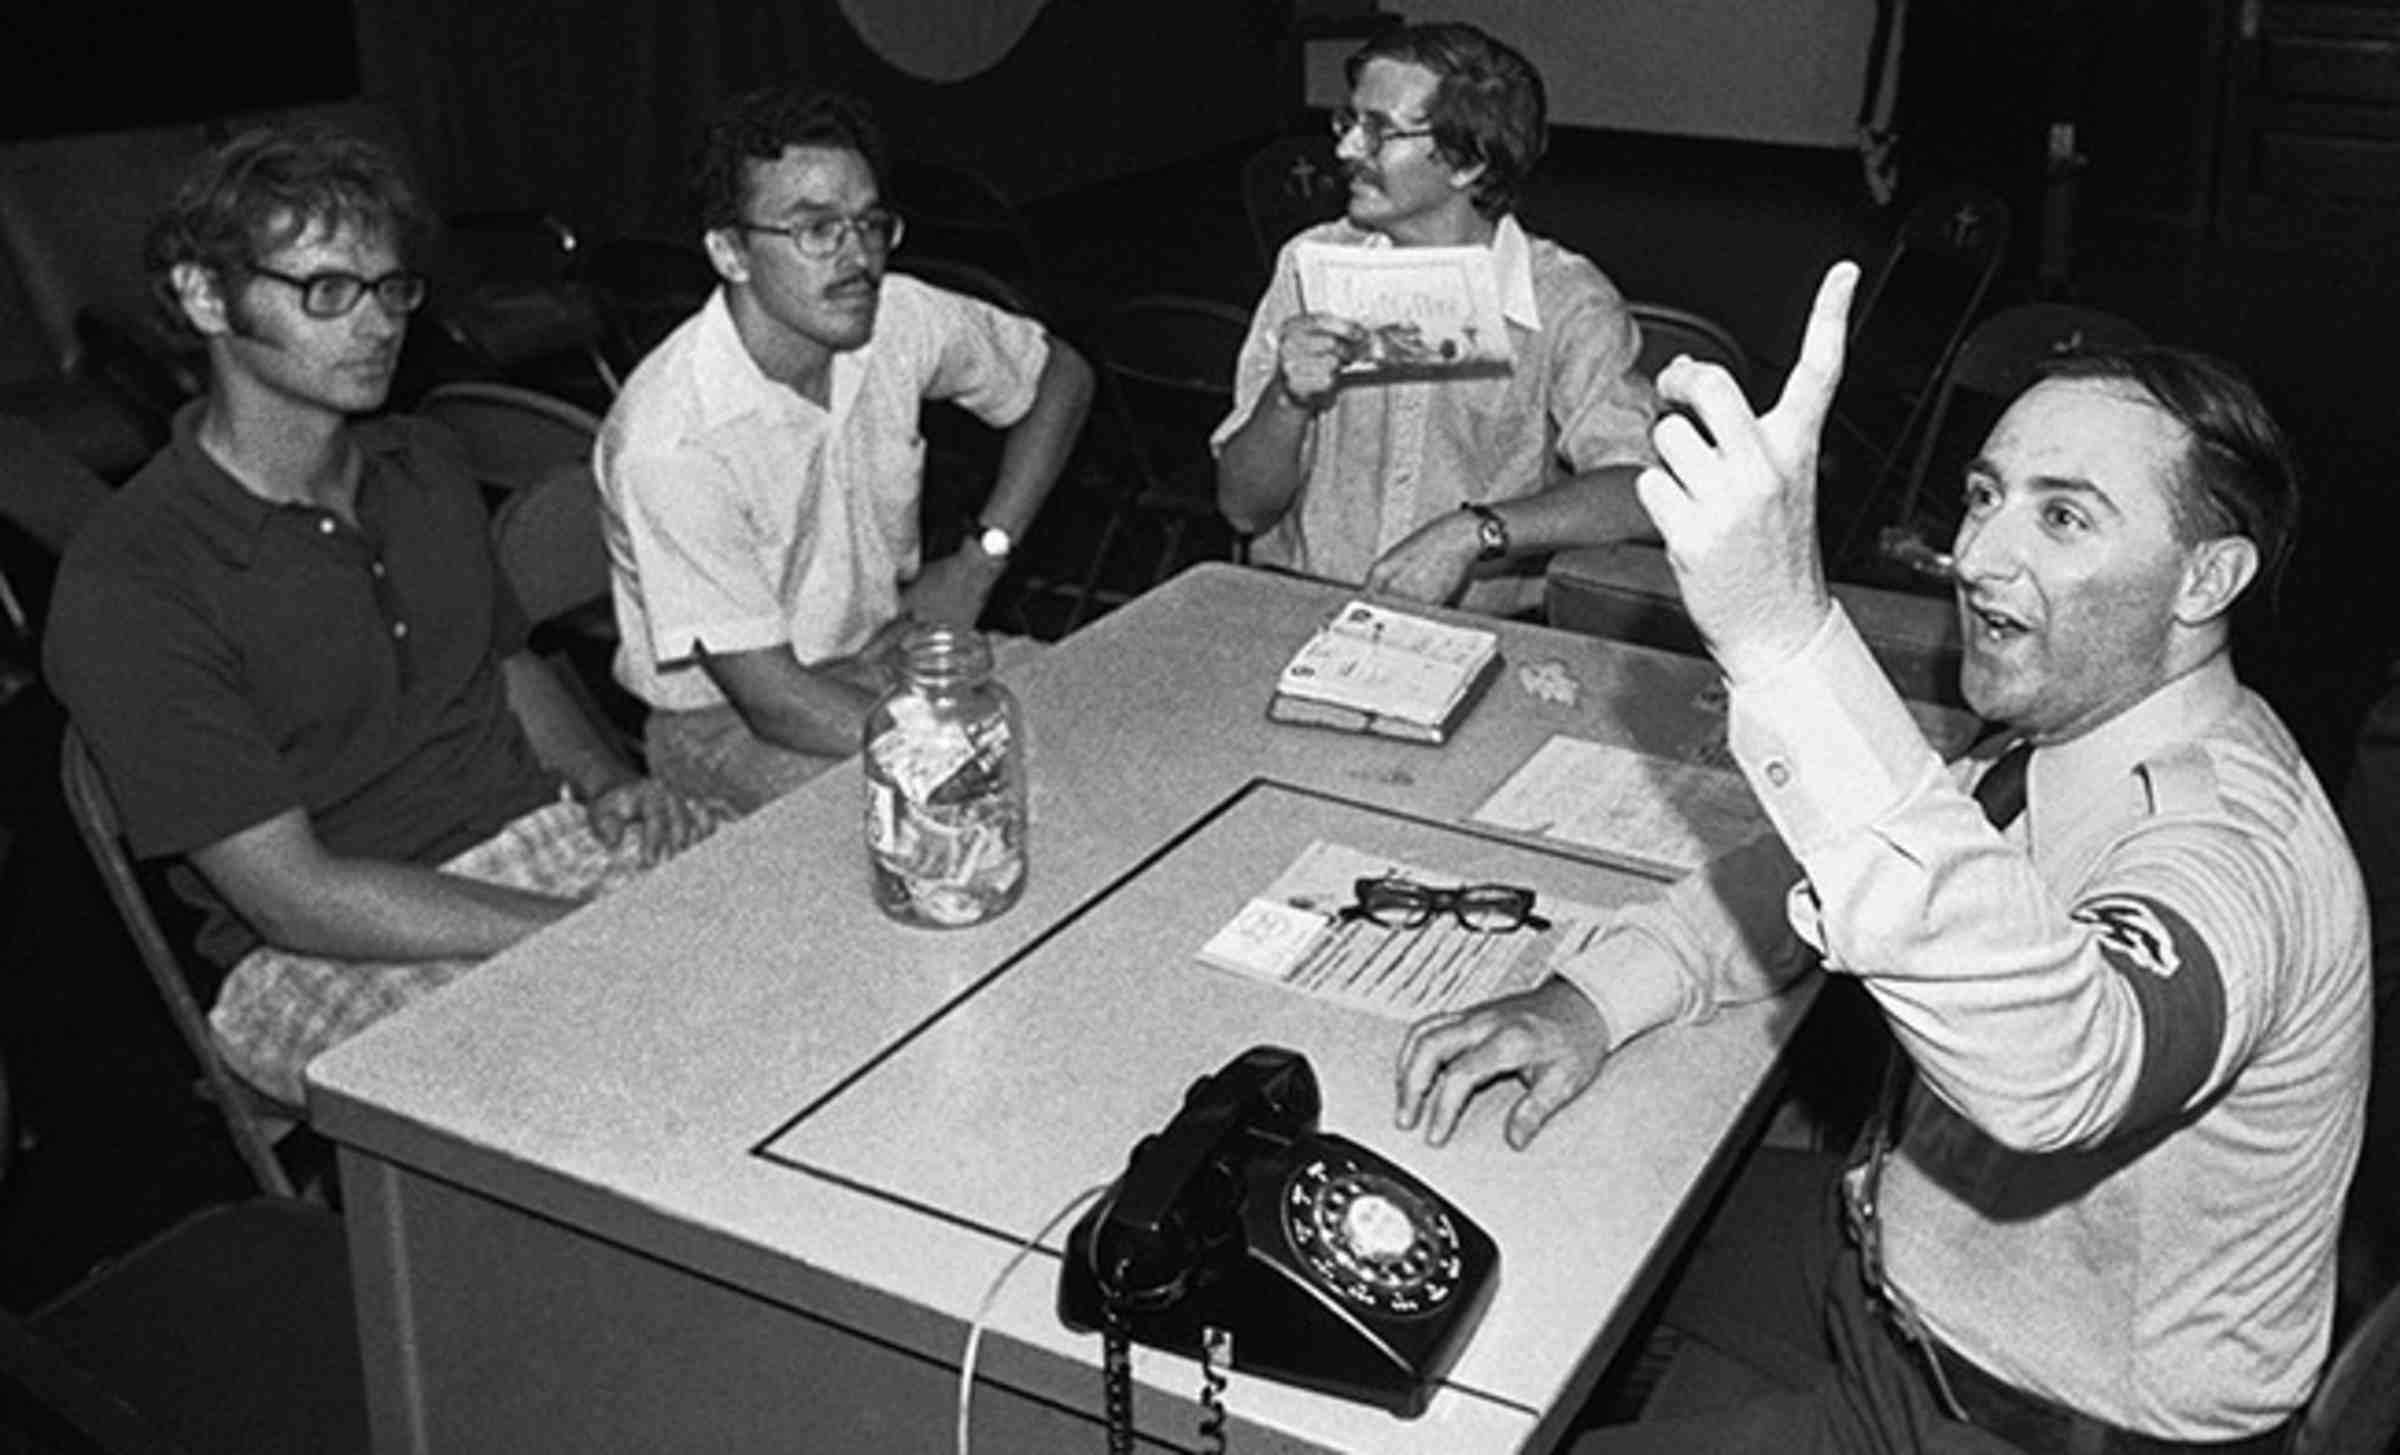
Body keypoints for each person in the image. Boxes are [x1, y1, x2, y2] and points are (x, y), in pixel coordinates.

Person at [1395, 263, 2368, 1452]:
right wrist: (1593, 999)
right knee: (1485, 1215)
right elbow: (1806, 868)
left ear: (2208, 578)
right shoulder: (2059, 735)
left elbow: (2067, 1061)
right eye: (1984, 496)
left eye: (2063, 517)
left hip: (2027, 1418)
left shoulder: (2237, 845)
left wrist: (1788, 638)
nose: (1977, 557)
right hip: (1889, 1268)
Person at [43, 125, 721, 1110]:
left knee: (803, 924)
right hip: (319, 947)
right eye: (325, 290)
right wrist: (569, 932)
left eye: (390, 288)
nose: (374, 325)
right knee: (632, 1080)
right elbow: (294, 896)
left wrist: (605, 776)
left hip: (538, 842)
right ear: (204, 297)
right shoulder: (135, 580)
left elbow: (507, 667)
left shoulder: (424, 464)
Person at [595, 86, 1094, 813]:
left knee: (1099, 714)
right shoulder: (670, 438)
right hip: (730, 721)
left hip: (889, 648)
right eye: (815, 229)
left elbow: (1063, 377)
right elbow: (773, 700)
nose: (856, 256)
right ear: (730, 251)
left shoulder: (893, 316)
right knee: (952, 809)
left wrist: (982, 558)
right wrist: (963, 744)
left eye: (868, 223)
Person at [1213, 21, 1658, 617]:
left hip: (1477, 626)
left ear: (1467, 162)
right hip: (1301, 603)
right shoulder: (1308, 263)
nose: (1346, 151)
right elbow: (1242, 509)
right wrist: (1287, 400)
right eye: (1349, 124)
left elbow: (1639, 491)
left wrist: (1475, 532)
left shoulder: (1565, 300)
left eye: (1379, 132)